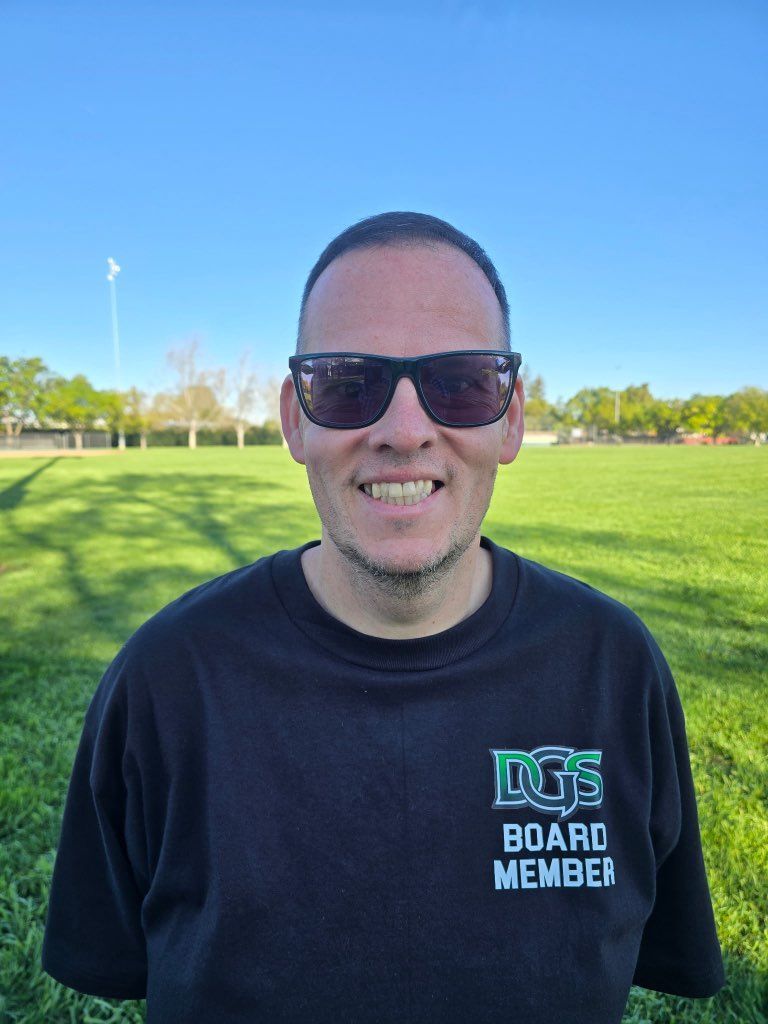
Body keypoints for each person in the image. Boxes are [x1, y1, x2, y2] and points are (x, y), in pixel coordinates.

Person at [41, 211, 725, 1023]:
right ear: (295, 420)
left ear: (511, 418)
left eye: (463, 382)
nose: (404, 432)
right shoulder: (165, 678)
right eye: (347, 383)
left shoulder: (613, 666)